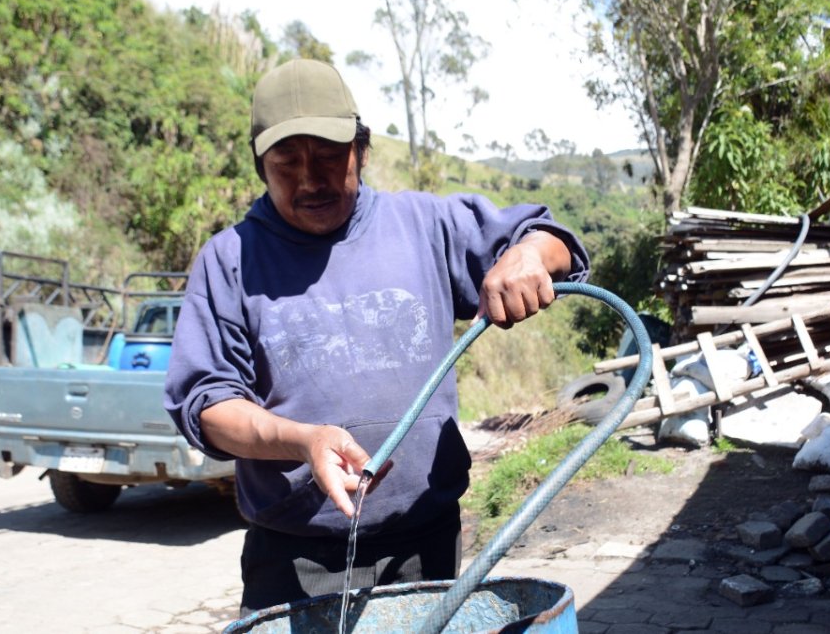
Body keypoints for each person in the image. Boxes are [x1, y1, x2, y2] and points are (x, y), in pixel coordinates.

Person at [164, 59, 590, 615]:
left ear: (361, 150)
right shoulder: (229, 260)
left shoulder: (425, 225)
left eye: (328, 155)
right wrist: (304, 441)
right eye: (287, 162)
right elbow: (207, 406)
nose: (310, 179)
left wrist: (529, 255)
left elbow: (553, 238)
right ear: (260, 166)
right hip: (292, 562)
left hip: (425, 548)